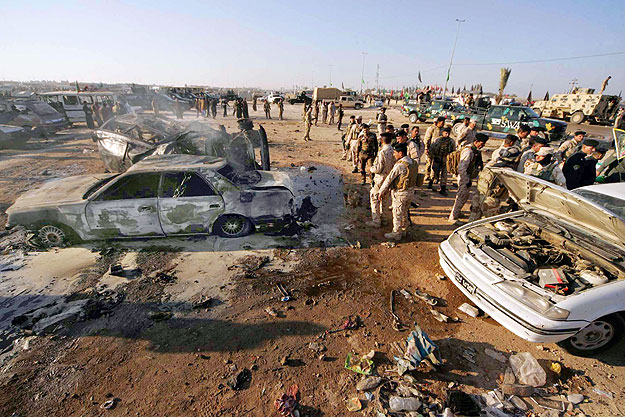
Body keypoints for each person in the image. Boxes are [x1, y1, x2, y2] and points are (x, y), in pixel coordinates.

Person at [378, 142, 418, 240]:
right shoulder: (412, 162)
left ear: (400, 153)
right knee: (404, 211)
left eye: (395, 152)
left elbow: (389, 179)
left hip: (400, 193)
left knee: (397, 213)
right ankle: (404, 230)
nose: (393, 154)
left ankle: (396, 233)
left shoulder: (400, 165)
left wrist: (381, 191)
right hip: (410, 191)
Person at [449, 133, 488, 224]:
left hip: (467, 176)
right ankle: (453, 217)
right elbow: (462, 168)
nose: (483, 145)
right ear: (476, 142)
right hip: (464, 177)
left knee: (464, 196)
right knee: (461, 196)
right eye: (482, 143)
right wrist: (465, 180)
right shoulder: (468, 151)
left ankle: (457, 212)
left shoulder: (474, 150)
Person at [367, 133, 395, 228]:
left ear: (382, 141)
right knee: (385, 199)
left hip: (380, 178)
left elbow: (378, 168)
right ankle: (384, 219)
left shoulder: (382, 152)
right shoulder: (393, 151)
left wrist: (371, 169)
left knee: (375, 198)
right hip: (389, 178)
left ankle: (376, 221)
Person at [427, 127, 456, 195]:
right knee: (433, 172)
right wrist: (432, 157)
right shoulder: (437, 140)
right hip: (437, 158)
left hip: (446, 160)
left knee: (444, 174)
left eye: (448, 133)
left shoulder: (451, 141)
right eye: (446, 133)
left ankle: (443, 188)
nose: (447, 135)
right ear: (442, 133)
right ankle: (430, 183)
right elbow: (432, 149)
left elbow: (454, 152)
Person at [424, 117, 446, 182]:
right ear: (438, 122)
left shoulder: (443, 129)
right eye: (442, 122)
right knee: (429, 163)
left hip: (439, 150)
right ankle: (427, 175)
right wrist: (426, 148)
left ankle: (434, 177)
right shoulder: (431, 128)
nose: (443, 124)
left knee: (437, 165)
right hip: (431, 149)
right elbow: (427, 138)